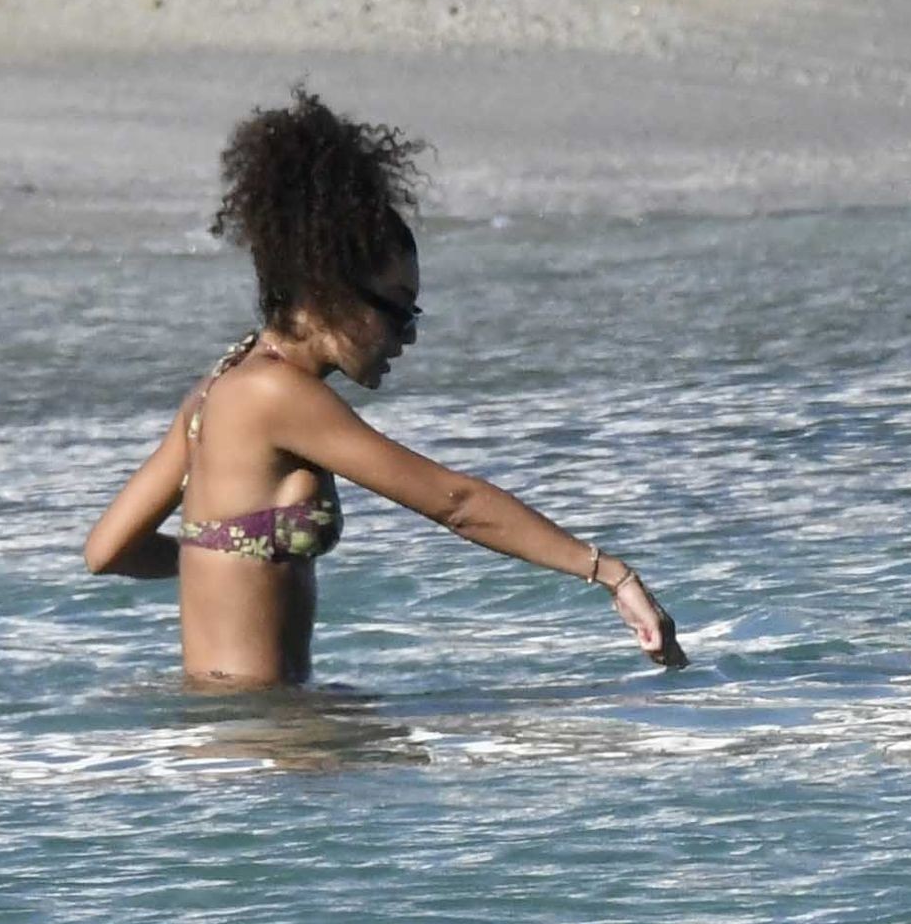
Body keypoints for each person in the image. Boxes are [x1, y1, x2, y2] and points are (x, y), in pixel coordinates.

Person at [85, 89, 685, 684]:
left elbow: (108, 550)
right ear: (328, 290)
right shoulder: (277, 396)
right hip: (270, 729)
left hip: (237, 726)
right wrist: (610, 574)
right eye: (397, 310)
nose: (409, 334)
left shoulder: (218, 387)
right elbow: (457, 505)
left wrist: (219, 567)